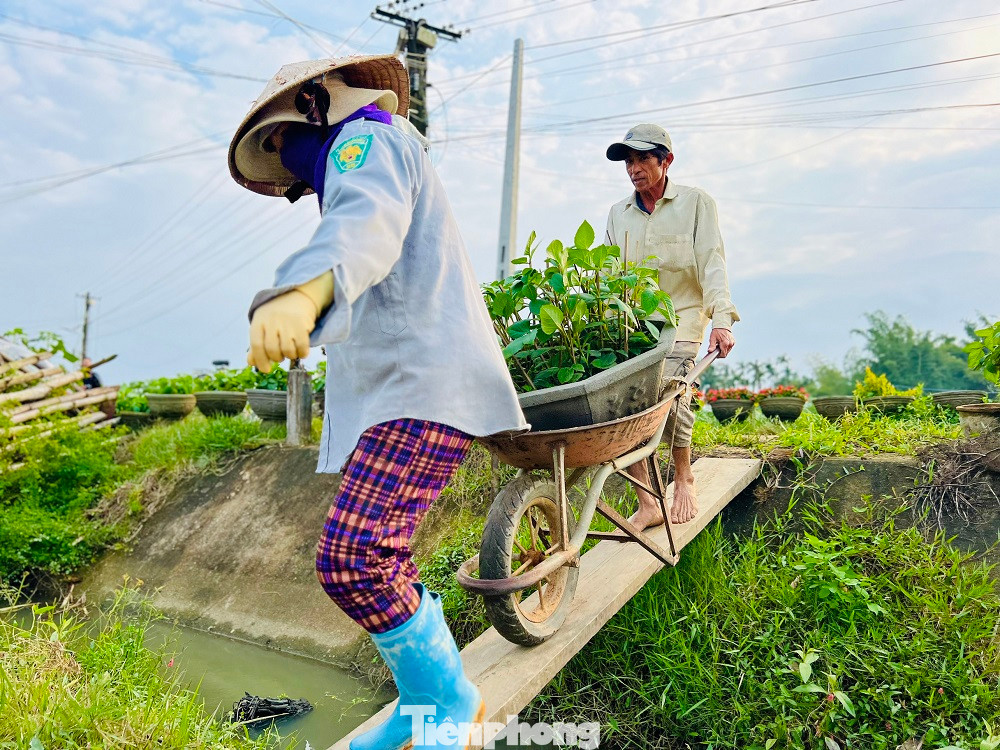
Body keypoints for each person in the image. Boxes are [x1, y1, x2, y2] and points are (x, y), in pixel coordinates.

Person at [228, 55, 528, 749]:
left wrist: (303, 293)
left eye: (279, 137)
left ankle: (448, 700)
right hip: (406, 390)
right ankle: (423, 700)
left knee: (354, 556)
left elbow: (365, 228)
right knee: (377, 553)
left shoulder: (366, 141)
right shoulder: (360, 157)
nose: (281, 154)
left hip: (424, 386)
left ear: (313, 104)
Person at [604, 124, 739, 527]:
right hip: (635, 325)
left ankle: (684, 476)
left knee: (673, 391)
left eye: (643, 159)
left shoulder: (695, 203)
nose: (634, 169)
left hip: (682, 317)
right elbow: (609, 278)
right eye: (629, 161)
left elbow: (712, 262)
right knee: (620, 404)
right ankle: (647, 500)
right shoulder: (618, 214)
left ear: (667, 161)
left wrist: (722, 319)